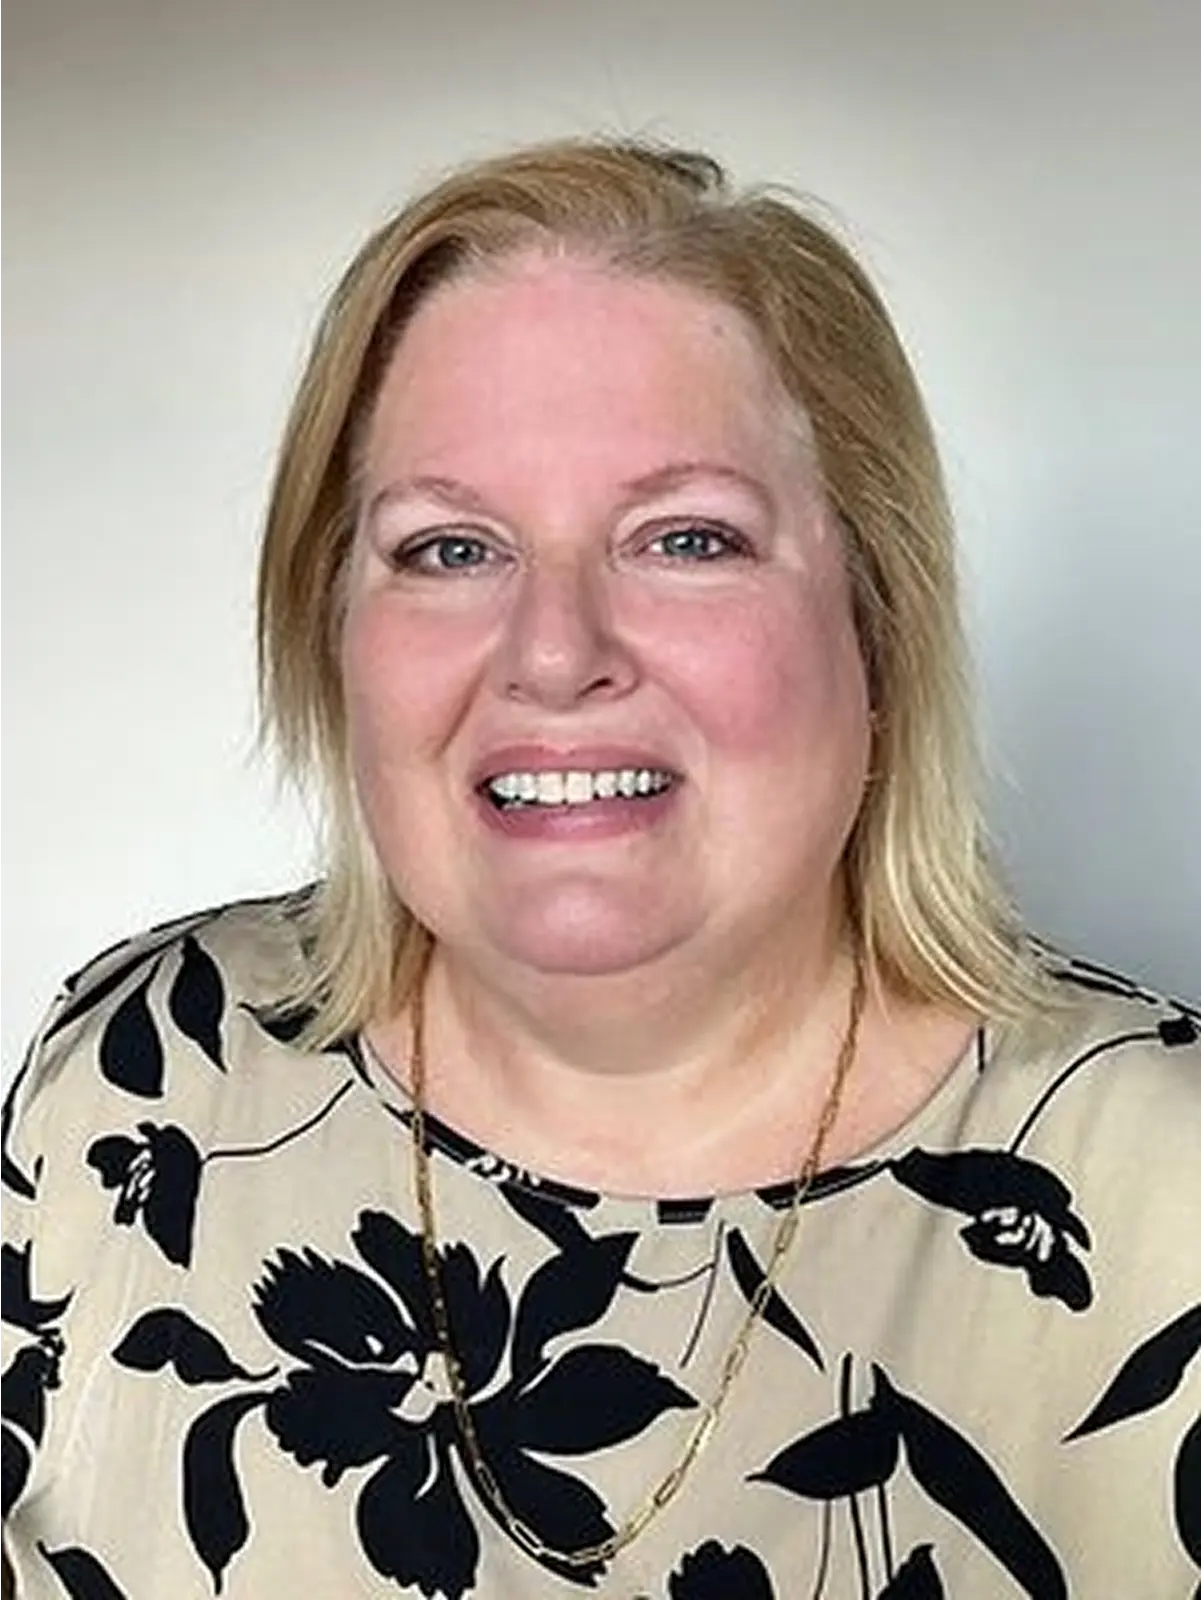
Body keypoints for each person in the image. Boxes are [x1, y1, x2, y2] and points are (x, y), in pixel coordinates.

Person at [0, 137, 1198, 1599]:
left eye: (686, 539)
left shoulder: (1169, 1187)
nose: (555, 653)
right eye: (448, 550)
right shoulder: (131, 1086)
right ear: (336, 638)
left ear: (876, 626)